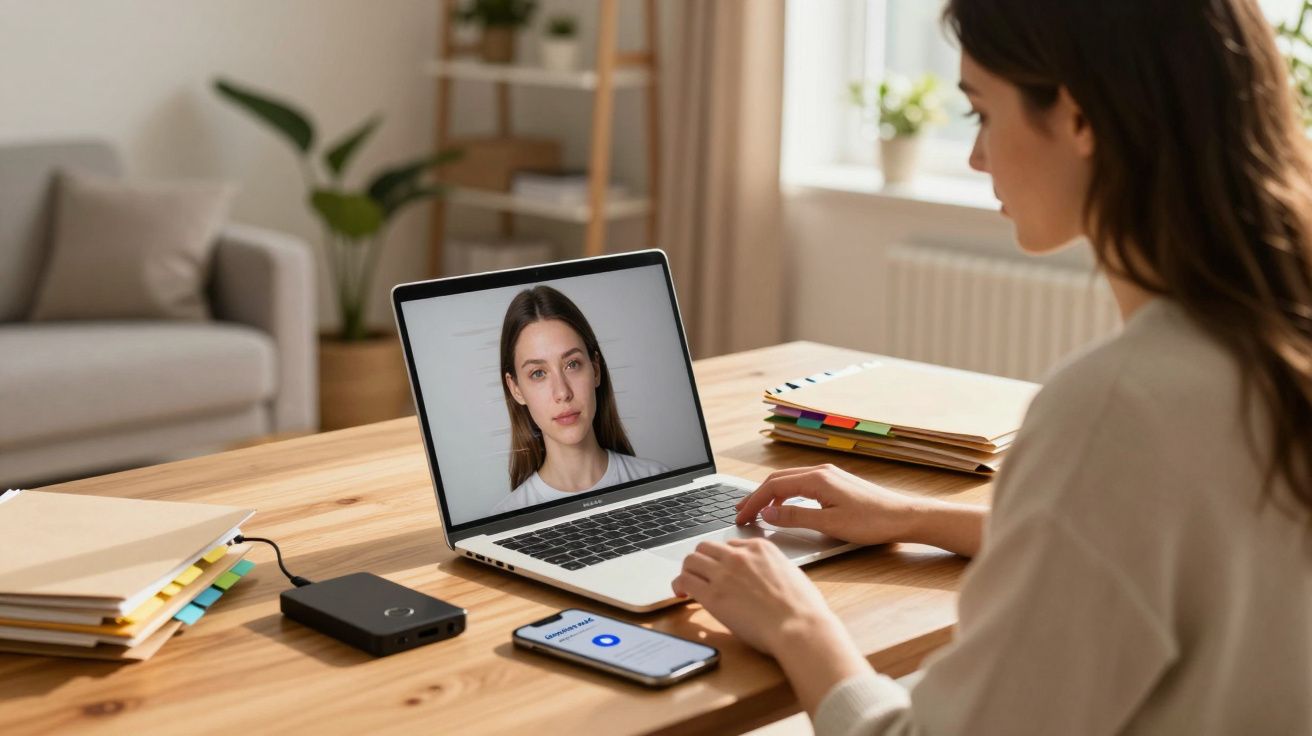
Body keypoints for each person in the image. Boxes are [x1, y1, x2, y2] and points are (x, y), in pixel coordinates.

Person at [673, 0, 1312, 733]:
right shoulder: (1274, 339)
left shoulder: (1120, 408)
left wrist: (796, 624)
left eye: (981, 111)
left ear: (1079, 119)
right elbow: (1165, 542)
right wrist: (916, 516)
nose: (976, 156)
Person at [491, 285, 668, 515]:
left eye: (572, 364)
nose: (562, 392)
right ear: (516, 389)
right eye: (538, 373)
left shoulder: (660, 484)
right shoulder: (507, 520)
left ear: (595, 369)